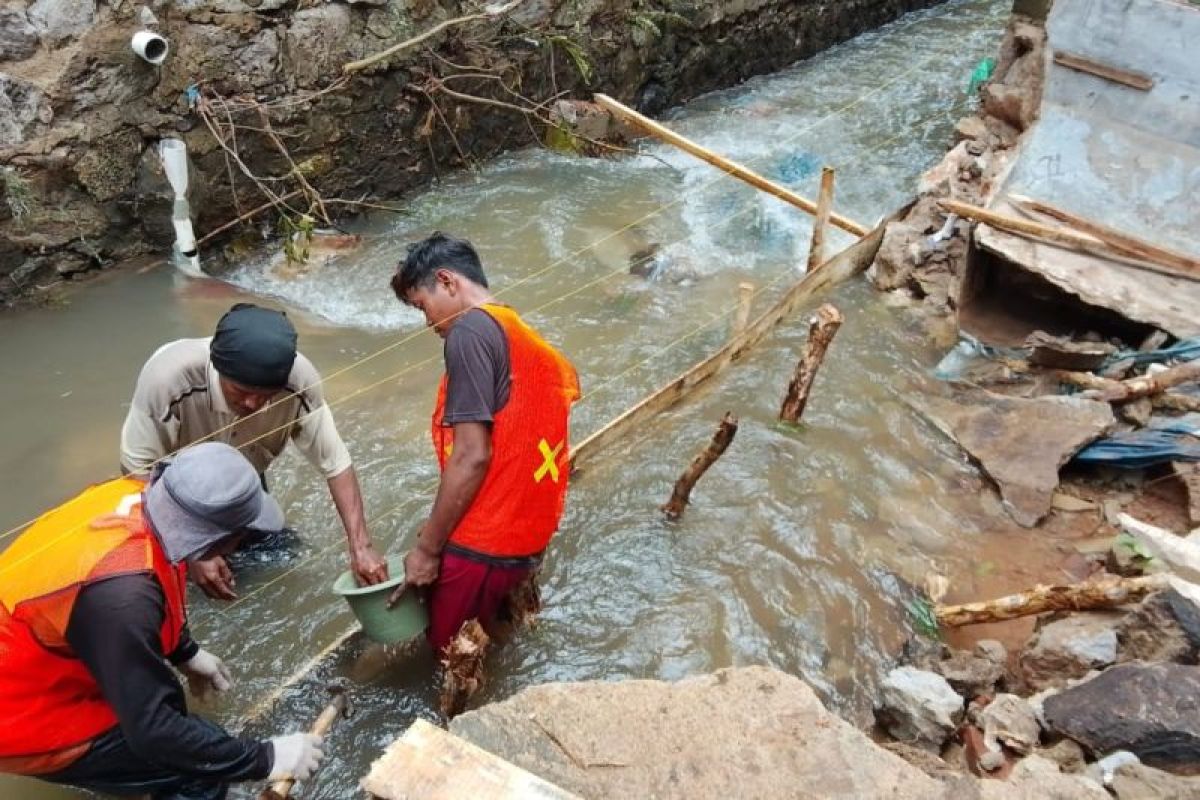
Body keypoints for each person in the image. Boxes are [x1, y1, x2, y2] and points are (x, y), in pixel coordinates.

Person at [0, 443, 325, 799]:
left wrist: (185, 651)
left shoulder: (144, 499)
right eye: (241, 537)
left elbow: (156, 575)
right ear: (217, 540)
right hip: (19, 713)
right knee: (188, 770)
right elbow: (153, 733)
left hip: (36, 653)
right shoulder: (124, 598)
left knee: (186, 730)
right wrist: (266, 759)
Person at [388, 232, 580, 654]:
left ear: (448, 281)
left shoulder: (469, 331)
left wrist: (425, 550)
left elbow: (472, 456)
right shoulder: (519, 331)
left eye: (423, 306)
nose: (428, 323)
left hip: (484, 544)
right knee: (490, 644)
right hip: (527, 539)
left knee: (445, 654)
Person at [120, 302, 388, 598]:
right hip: (177, 496)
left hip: (243, 481)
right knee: (172, 587)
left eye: (265, 396)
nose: (251, 404)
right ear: (218, 369)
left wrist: (361, 547)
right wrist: (191, 551)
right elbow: (138, 475)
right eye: (240, 392)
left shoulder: (300, 381)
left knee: (280, 561)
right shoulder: (167, 380)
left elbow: (335, 463)